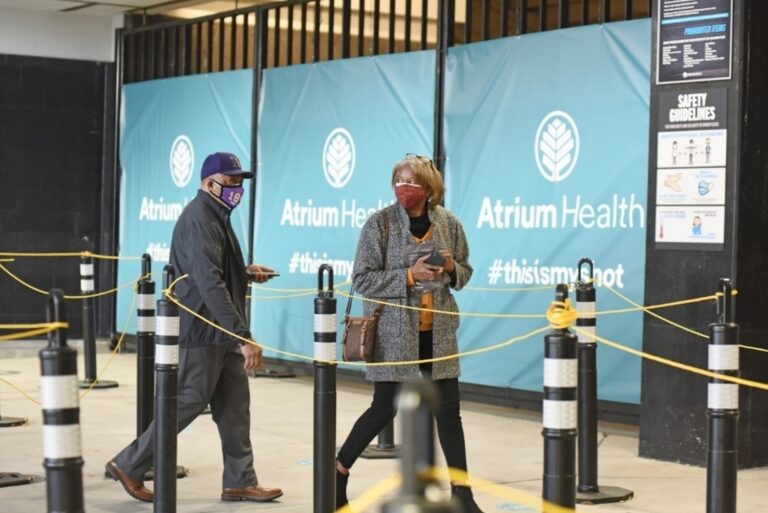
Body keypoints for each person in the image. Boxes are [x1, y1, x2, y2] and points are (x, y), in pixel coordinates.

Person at [106, 152, 283, 504]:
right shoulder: (200, 218)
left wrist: (246, 272)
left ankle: (240, 480)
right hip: (203, 330)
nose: (236, 188)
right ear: (208, 183)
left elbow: (213, 269)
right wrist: (243, 337)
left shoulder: (218, 215)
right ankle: (129, 463)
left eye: (239, 182)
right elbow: (208, 283)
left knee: (235, 408)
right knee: (188, 400)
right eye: (230, 181)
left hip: (222, 332)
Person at [335, 154, 484, 513]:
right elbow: (362, 280)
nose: (404, 187)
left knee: (449, 412)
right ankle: (337, 475)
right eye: (399, 180)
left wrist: (450, 266)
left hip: (439, 332)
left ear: (429, 187)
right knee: (382, 409)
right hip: (393, 336)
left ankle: (462, 495)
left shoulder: (448, 223)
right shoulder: (379, 225)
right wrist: (409, 275)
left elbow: (465, 270)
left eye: (412, 181)